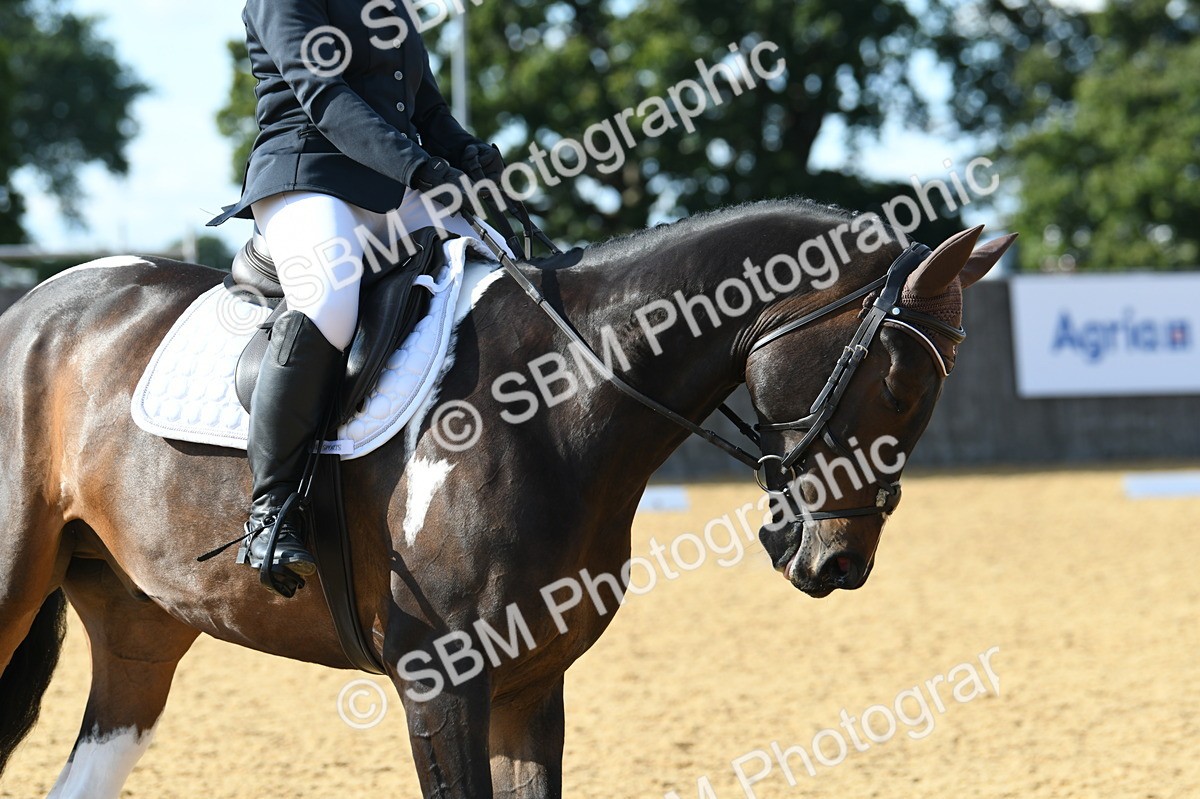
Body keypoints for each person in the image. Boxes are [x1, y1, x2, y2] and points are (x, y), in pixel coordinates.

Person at [207, 0, 503, 595]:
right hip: (308, 175)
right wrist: (422, 170)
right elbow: (326, 98)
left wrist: (465, 152)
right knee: (327, 302)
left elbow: (424, 107)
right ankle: (269, 512)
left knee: (499, 263)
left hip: (393, 183)